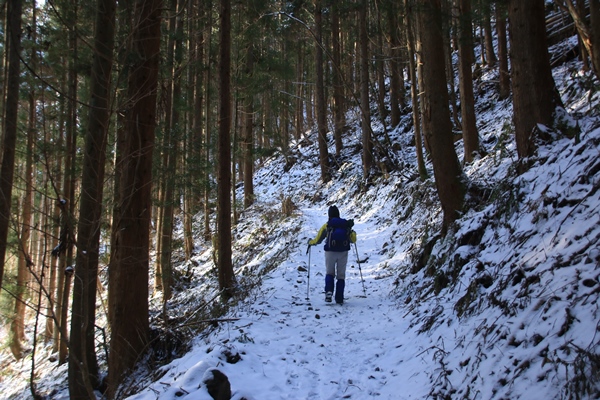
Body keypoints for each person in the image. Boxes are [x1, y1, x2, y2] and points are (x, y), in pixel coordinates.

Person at [308, 205, 356, 304]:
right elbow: (353, 240)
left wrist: (310, 242)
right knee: (341, 276)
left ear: (329, 215)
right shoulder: (345, 224)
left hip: (330, 252)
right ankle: (339, 298)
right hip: (343, 252)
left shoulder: (327, 225)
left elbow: (318, 240)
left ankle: (329, 292)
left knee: (330, 273)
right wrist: (352, 231)